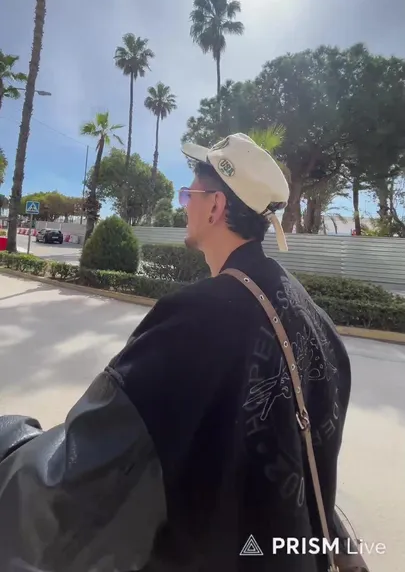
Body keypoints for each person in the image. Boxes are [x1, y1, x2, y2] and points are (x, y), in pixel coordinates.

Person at [0, 133, 351, 572]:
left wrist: (10, 439)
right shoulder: (318, 321)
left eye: (189, 194)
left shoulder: (194, 321)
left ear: (215, 207)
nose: (184, 205)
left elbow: (82, 472)